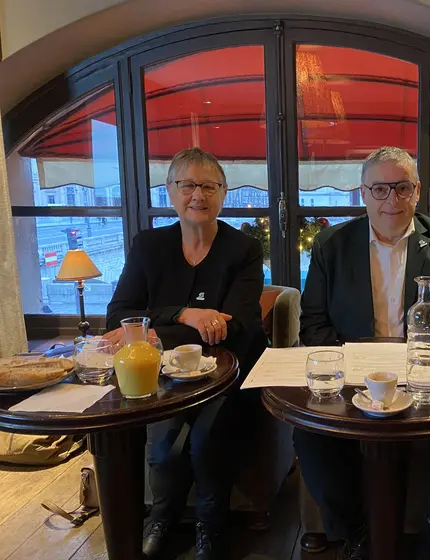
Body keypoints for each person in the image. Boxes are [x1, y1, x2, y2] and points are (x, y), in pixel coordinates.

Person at [297, 146, 430, 560]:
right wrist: (352, 367)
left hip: (425, 374)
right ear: (363, 194)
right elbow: (313, 323)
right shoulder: (332, 244)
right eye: (380, 189)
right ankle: (354, 532)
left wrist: (425, 359)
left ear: (417, 191)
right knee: (310, 435)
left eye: (402, 188)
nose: (392, 200)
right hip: (355, 379)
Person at [105, 147, 267, 559]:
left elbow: (237, 325)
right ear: (170, 191)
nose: (198, 195)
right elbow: (121, 315)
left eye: (209, 186)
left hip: (231, 371)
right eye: (188, 185)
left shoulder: (244, 248)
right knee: (161, 445)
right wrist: (187, 314)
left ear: (223, 193)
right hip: (164, 373)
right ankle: (162, 518)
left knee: (207, 441)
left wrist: (156, 327)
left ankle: (210, 529)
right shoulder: (149, 246)